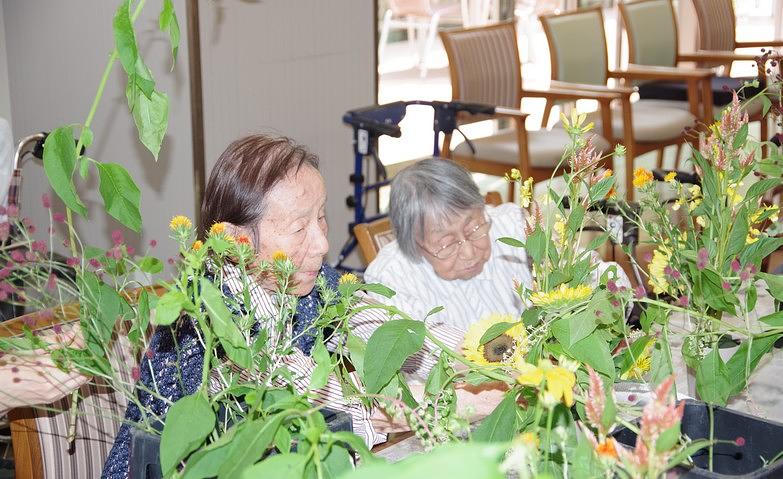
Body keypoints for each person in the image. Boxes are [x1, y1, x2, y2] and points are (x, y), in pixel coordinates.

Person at [102, 135, 501, 478]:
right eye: (298, 228)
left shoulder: (307, 281)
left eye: (322, 218)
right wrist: (455, 402)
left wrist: (488, 357)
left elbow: (393, 328)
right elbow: (316, 396)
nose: (323, 244)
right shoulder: (210, 319)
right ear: (239, 240)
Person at [364, 158, 630, 332]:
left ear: (482, 208)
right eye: (446, 244)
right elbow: (426, 361)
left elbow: (596, 272)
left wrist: (606, 298)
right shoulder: (390, 279)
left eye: (474, 227)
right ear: (414, 244)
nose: (469, 252)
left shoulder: (514, 226)